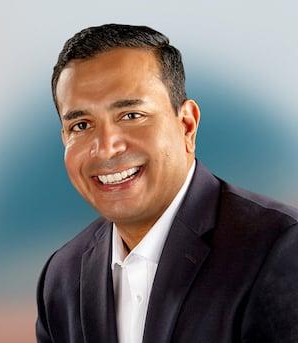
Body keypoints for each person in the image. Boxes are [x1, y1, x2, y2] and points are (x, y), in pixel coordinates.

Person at [36, 23, 298, 342]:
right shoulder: (62, 276)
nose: (106, 147)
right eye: (81, 125)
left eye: (131, 115)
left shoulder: (280, 247)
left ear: (187, 125)